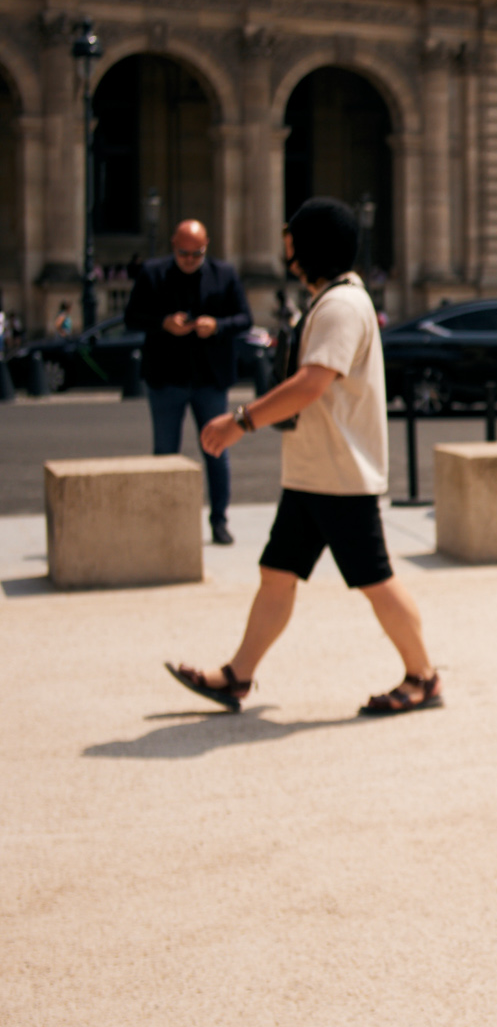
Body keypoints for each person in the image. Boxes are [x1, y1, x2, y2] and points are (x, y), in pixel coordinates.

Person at [163, 197, 441, 717]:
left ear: (312, 248)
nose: (288, 255)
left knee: (375, 580)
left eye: (293, 245)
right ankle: (237, 676)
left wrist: (239, 421)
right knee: (277, 573)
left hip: (340, 475)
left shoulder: (340, 307)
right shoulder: (336, 300)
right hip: (316, 472)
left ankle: (423, 676)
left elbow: (311, 383)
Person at [124, 218, 253, 547]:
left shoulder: (224, 273)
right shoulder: (154, 273)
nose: (190, 260)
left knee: (216, 450)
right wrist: (163, 323)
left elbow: (245, 319)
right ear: (173, 246)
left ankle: (219, 520)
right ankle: (164, 524)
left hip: (209, 378)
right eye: (184, 254)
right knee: (166, 454)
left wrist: (218, 325)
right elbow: (131, 318)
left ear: (206, 246)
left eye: (197, 254)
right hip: (166, 378)